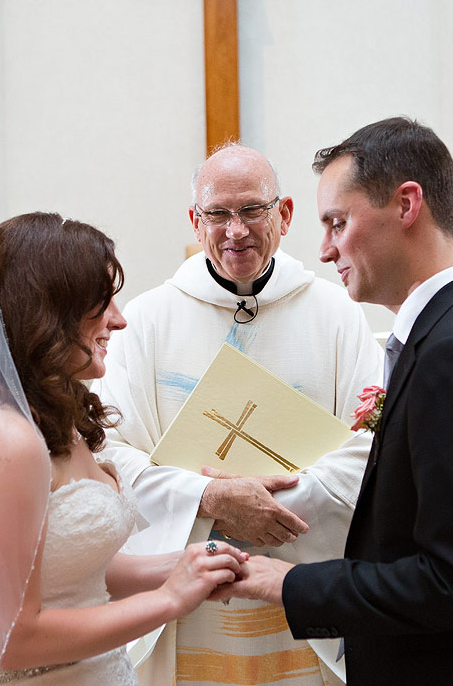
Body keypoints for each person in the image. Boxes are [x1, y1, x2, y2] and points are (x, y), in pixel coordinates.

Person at [222, 118, 453, 684]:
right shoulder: (449, 336)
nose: (325, 246)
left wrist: (286, 583)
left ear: (407, 204)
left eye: (338, 221)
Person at [0, 213, 247, 686]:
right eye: (101, 304)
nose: (119, 320)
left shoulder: (51, 415)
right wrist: (168, 600)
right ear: (49, 313)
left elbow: (69, 570)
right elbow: (12, 638)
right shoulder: (2, 440)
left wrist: (191, 565)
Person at [96, 145, 382, 685]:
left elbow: (370, 445)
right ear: (194, 221)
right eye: (218, 214)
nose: (235, 230)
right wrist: (208, 501)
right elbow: (110, 451)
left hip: (300, 580)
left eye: (252, 210)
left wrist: (269, 508)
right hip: (188, 606)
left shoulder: (336, 314)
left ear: (286, 214)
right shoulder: (149, 319)